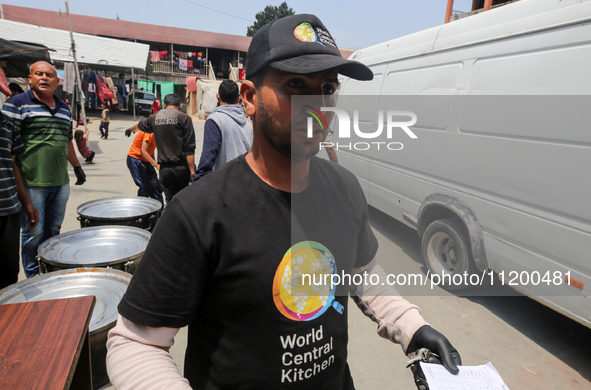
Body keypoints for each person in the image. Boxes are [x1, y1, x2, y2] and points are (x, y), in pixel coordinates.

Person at [107, 14, 460, 389]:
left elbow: (363, 273)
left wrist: (411, 326)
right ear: (249, 98)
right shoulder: (198, 213)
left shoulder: (343, 188)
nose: (317, 104)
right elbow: (135, 343)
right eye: (295, 84)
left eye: (327, 88)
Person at [1, 61, 86, 278]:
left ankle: (49, 274)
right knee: (32, 234)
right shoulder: (16, 104)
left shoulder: (64, 108)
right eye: (39, 74)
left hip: (60, 183)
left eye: (50, 75)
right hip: (30, 184)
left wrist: (77, 167)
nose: (44, 78)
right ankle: (32, 278)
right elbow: (7, 151)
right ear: (30, 78)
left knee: (53, 231)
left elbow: (67, 141)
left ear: (58, 82)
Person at [125, 93, 196, 203]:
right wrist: (192, 172)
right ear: (180, 106)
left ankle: (169, 218)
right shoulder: (185, 118)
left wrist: (130, 130)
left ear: (163, 104)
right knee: (183, 201)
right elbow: (189, 149)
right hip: (181, 169)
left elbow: (139, 126)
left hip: (165, 170)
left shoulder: (154, 117)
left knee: (170, 201)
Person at [0, 112, 39, 289]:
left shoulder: (7, 124)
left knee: (8, 273)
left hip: (9, 209)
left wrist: (26, 202)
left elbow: (12, 163)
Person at [193, 79, 253, 181]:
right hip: (245, 181)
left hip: (225, 184)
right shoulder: (247, 124)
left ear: (218, 96)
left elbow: (208, 157)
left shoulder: (215, 120)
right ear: (238, 99)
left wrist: (197, 183)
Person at [126, 131, 164, 206]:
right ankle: (140, 210)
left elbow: (151, 149)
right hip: (135, 159)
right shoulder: (150, 133)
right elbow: (143, 151)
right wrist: (156, 165)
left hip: (145, 160)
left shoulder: (158, 133)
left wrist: (154, 162)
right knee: (145, 186)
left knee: (156, 186)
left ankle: (159, 212)